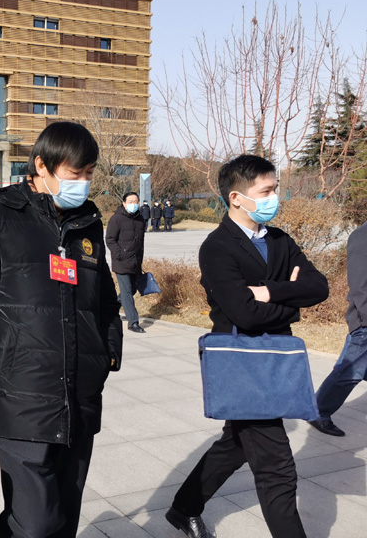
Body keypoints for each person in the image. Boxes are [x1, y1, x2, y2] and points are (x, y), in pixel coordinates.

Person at [0, 121, 123, 537]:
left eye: (89, 173)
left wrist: (107, 354)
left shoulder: (87, 223)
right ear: (41, 166)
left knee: (64, 517)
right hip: (20, 396)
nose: (83, 183)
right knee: (36, 523)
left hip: (79, 395)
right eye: (74, 173)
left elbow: (104, 298)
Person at [166, 154, 329, 538]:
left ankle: (183, 508)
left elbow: (319, 287)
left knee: (235, 445)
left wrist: (269, 291)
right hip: (243, 363)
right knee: (277, 467)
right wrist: (292, 302)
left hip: (275, 359)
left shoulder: (280, 240)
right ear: (236, 197)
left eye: (275, 189)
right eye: (267, 191)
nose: (275, 197)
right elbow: (244, 313)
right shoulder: (217, 247)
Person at [308, 221, 367, 437]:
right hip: (365, 322)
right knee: (349, 372)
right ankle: (318, 412)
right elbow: (359, 286)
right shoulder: (362, 236)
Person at [105, 192, 147, 334]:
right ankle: (133, 322)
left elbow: (140, 242)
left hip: (135, 262)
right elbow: (110, 239)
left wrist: (140, 259)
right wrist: (119, 254)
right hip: (121, 262)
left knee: (132, 290)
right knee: (127, 291)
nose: (133, 204)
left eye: (136, 201)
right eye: (130, 201)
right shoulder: (116, 219)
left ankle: (110, 308)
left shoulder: (140, 219)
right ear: (124, 203)